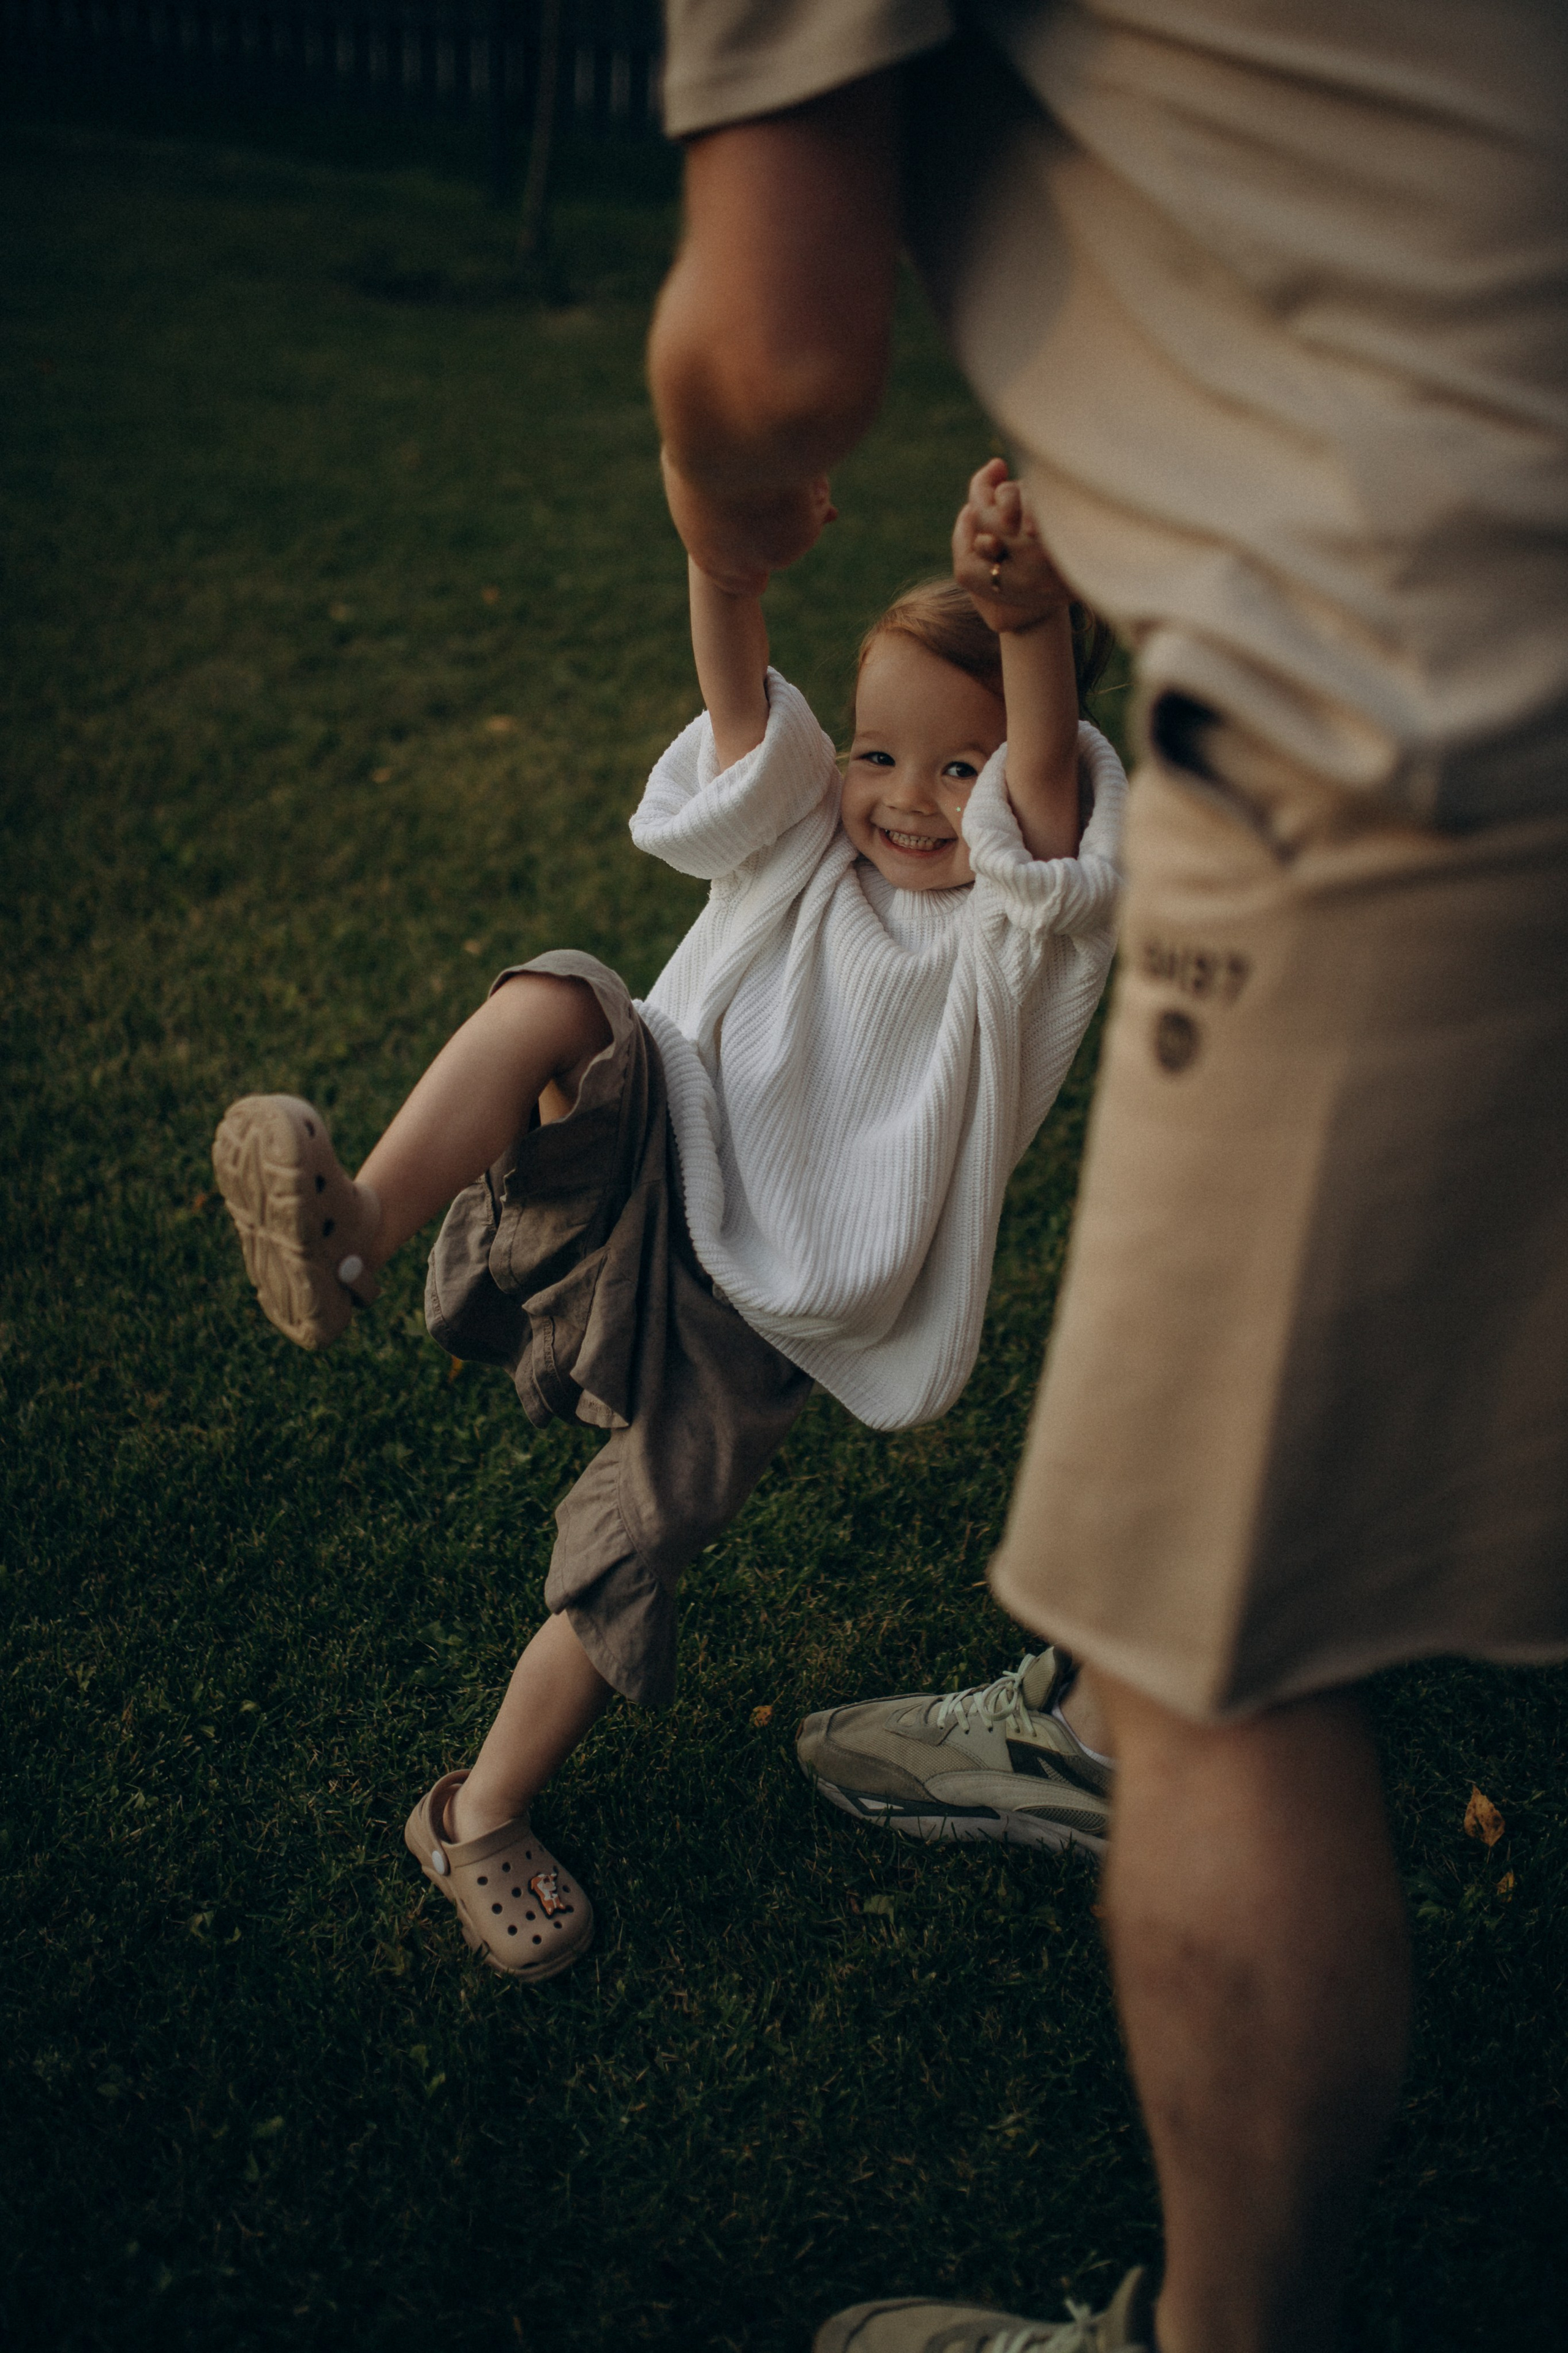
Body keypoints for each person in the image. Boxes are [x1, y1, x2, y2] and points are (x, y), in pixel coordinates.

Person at [647, 4, 1568, 2349]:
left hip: (1419, 721)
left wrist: (721, 506)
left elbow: (770, 346)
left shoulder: (1025, 844)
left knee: (1212, 1661)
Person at [209, 464, 1128, 1983]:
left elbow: (1044, 778)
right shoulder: (802, 840)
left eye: (956, 772)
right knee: (562, 995)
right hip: (644, 1159)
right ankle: (354, 1230)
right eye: (881, 751)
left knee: (638, 1543)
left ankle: (476, 1813)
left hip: (765, 1320)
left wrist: (1033, 622)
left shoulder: (1015, 933)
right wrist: (722, 560)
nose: (903, 796)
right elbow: (741, 707)